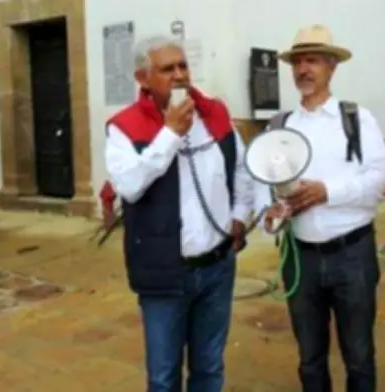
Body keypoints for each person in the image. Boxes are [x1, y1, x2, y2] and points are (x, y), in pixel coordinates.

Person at [103, 35, 254, 392]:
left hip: (217, 269)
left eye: (183, 65)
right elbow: (129, 185)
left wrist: (239, 214)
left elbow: (242, 169)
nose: (180, 75)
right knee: (163, 375)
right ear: (143, 78)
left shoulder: (214, 113)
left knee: (209, 368)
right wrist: (170, 133)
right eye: (167, 69)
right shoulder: (123, 127)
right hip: (163, 273)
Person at [255, 25, 385, 392]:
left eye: (312, 60)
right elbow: (264, 186)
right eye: (297, 62)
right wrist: (270, 217)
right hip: (300, 257)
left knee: (359, 355)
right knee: (310, 358)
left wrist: (326, 192)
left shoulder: (356, 119)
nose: (303, 69)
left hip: (352, 255)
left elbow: (381, 177)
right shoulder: (279, 125)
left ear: (332, 67)